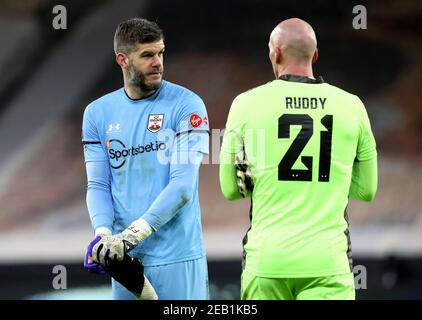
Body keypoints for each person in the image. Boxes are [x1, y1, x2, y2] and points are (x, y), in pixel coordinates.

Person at [219, 18, 377, 300]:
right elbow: (367, 190)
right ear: (315, 55)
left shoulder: (245, 103)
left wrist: (271, 178)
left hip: (267, 263)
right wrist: (328, 177)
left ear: (275, 53)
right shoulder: (352, 105)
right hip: (328, 264)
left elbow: (231, 189)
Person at [82, 18, 210, 300]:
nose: (158, 62)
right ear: (122, 60)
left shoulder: (187, 105)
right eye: (147, 55)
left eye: (160, 53)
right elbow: (99, 185)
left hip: (176, 257)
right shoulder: (97, 114)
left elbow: (182, 188)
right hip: (126, 261)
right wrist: (103, 235)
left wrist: (128, 237)